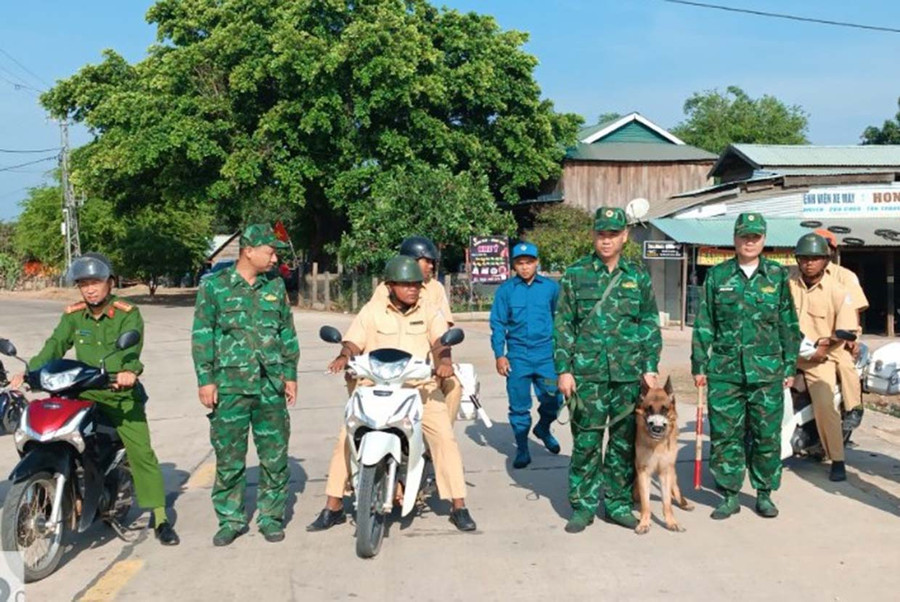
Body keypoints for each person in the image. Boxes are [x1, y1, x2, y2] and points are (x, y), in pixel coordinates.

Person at [10, 253, 179, 545]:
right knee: (46, 434)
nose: (89, 289)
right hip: (83, 391)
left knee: (141, 453)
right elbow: (55, 345)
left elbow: (131, 348)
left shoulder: (127, 313)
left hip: (119, 396)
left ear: (110, 282)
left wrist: (128, 371)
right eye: (83, 284)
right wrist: (28, 372)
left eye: (95, 283)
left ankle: (160, 516)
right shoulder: (74, 315)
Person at [307, 255, 476, 532]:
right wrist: (344, 355)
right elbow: (354, 341)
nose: (413, 289)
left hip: (418, 389)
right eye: (406, 284)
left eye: (417, 285)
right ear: (390, 286)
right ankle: (333, 506)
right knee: (346, 439)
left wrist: (444, 362)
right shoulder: (372, 311)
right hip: (375, 387)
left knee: (444, 439)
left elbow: (440, 342)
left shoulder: (428, 310)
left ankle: (459, 506)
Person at [554, 207, 662, 534]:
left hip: (628, 376)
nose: (606, 240)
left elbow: (648, 323)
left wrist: (649, 367)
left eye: (613, 234)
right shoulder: (576, 274)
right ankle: (583, 506)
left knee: (623, 444)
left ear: (624, 236)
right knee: (586, 443)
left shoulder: (637, 276)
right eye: (601, 234)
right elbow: (564, 324)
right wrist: (564, 370)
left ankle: (617, 504)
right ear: (594, 235)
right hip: (587, 375)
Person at [191, 224, 299, 546]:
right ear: (248, 251)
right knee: (229, 458)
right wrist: (205, 380)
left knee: (274, 456)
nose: (275, 258)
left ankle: (271, 517)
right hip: (230, 386)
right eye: (270, 251)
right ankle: (231, 519)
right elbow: (202, 334)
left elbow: (286, 331)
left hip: (270, 385)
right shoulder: (215, 287)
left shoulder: (275, 285)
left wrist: (290, 374)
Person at [691, 213, 800, 520]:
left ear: (763, 240)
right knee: (726, 435)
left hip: (767, 372)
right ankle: (729, 495)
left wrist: (789, 366)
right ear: (735, 238)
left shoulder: (776, 276)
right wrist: (699, 364)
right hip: (725, 371)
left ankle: (764, 493)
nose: (749, 242)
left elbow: (788, 323)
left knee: (767, 435)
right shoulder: (718, 275)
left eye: (755, 237)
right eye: (744, 236)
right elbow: (704, 322)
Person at [789, 233, 858, 481]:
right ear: (797, 260)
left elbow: (847, 328)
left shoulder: (838, 291)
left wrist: (827, 343)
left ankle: (837, 459)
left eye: (815, 258)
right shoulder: (787, 286)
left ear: (825, 260)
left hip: (820, 358)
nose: (809, 263)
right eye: (804, 258)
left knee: (826, 406)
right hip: (787, 356)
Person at [373, 236, 463, 423]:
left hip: (428, 364)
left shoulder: (436, 288)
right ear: (410, 261)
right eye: (427, 261)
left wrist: (444, 362)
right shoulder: (386, 289)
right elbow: (372, 323)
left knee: (454, 386)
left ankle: (440, 433)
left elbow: (444, 330)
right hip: (391, 364)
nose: (431, 266)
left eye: (432, 262)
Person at [489, 241, 562, 469]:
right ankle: (522, 448)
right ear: (513, 265)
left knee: (555, 398)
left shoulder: (550, 288)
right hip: (518, 356)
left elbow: (560, 320)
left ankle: (543, 428)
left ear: (536, 262)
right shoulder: (506, 291)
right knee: (519, 406)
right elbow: (498, 324)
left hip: (546, 355)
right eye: (520, 263)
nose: (524, 267)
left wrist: (563, 352)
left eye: (529, 262)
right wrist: (499, 355)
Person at [814, 228, 869, 428]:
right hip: (808, 337)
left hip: (836, 338)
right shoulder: (796, 275)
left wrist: (851, 338)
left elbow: (854, 308)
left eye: (825, 247)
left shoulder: (844, 276)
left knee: (845, 365)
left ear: (832, 251)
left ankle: (854, 407)